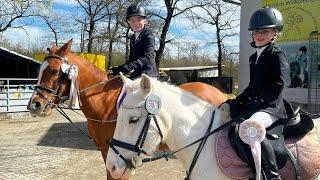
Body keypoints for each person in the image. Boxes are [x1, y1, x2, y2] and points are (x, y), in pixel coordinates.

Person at [219, 7, 289, 180]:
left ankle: (272, 176)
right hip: (258, 104)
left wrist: (258, 101)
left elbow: (279, 84)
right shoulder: (253, 57)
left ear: (274, 33)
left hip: (271, 107)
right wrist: (233, 102)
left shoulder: (276, 55)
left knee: (251, 128)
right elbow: (252, 87)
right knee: (233, 122)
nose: (259, 35)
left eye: (264, 31)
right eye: (256, 32)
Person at [109, 3, 158, 79]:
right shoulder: (132, 38)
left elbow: (148, 56)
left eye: (139, 20)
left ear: (145, 21)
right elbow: (132, 59)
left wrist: (130, 67)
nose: (136, 23)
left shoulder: (148, 35)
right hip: (137, 74)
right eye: (132, 21)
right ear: (128, 22)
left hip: (148, 74)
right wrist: (120, 68)